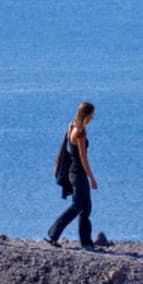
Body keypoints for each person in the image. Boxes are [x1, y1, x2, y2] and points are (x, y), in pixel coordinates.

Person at [45, 101, 99, 249]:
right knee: (77, 207)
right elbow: (83, 157)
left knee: (86, 207)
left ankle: (86, 242)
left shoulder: (72, 125)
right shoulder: (80, 132)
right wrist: (92, 178)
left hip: (74, 172)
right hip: (78, 174)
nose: (92, 118)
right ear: (86, 115)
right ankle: (53, 234)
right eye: (91, 115)